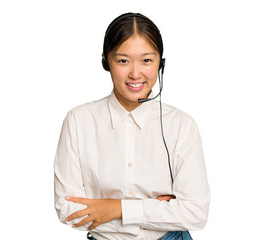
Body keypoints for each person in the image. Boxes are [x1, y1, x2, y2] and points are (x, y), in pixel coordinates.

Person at [54, 12, 210, 240]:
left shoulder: (181, 126)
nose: (135, 73)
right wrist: (155, 209)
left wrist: (115, 208)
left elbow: (196, 214)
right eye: (123, 61)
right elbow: (70, 212)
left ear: (160, 63)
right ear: (106, 62)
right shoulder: (79, 121)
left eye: (147, 60)